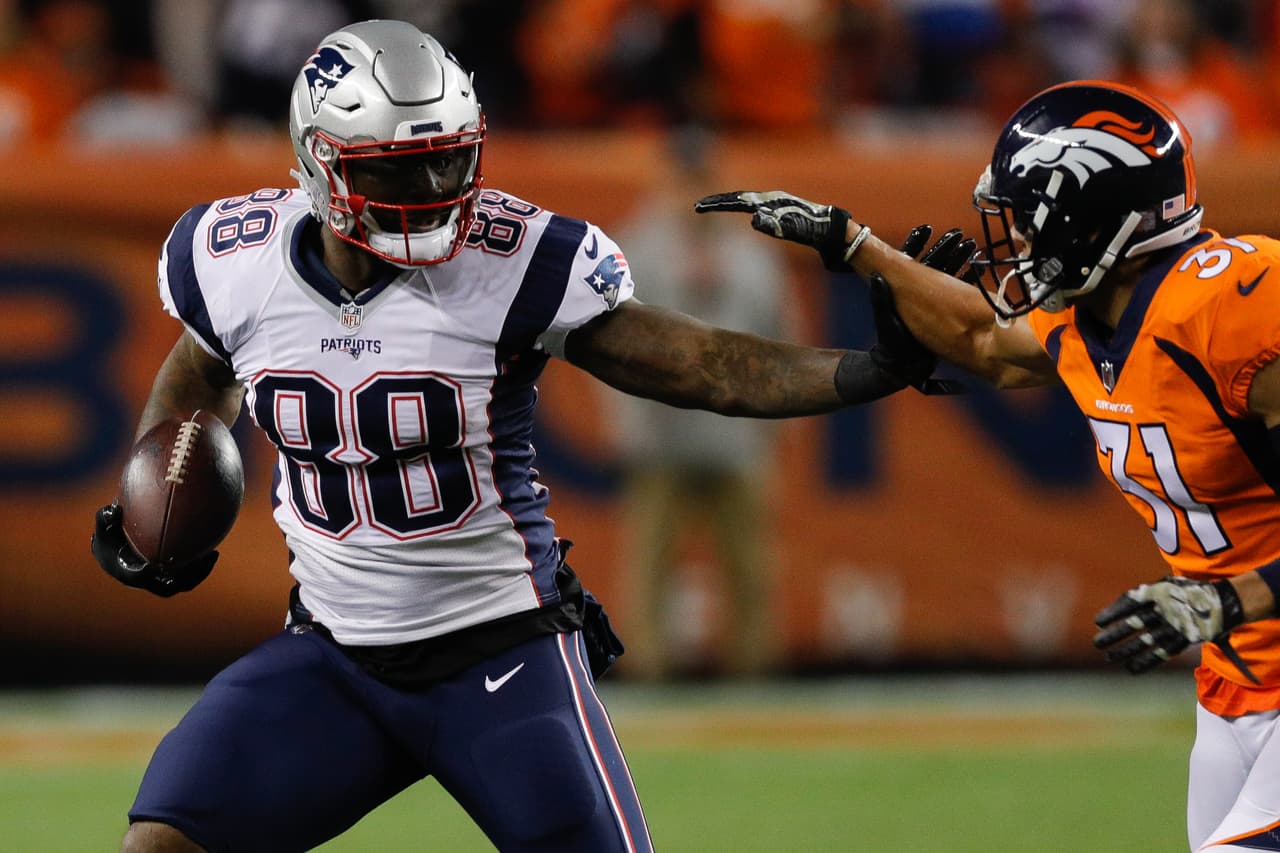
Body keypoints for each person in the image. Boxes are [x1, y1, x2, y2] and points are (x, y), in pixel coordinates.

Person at [88, 20, 960, 853]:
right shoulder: (233, 257)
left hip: (499, 652)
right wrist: (155, 493)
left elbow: (702, 364)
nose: (435, 192)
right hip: (332, 656)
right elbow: (200, 372)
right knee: (164, 837)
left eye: (448, 162)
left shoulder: (513, 258)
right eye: (404, 170)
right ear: (323, 163)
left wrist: (869, 369)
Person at [697, 80, 1280, 852]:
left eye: (1028, 218)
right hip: (1236, 680)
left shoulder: (1235, 305)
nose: (1015, 242)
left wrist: (1228, 601)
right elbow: (979, 340)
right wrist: (856, 245)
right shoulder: (1092, 314)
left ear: (1089, 214)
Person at [612, 128, 792, 680]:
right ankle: (648, 669)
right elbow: (607, 340)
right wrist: (627, 419)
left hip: (735, 431)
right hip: (663, 430)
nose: (692, 189)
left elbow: (782, 336)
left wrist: (777, 417)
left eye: (701, 177)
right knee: (651, 561)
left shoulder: (750, 256)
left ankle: (754, 671)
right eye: (683, 177)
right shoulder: (634, 247)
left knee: (750, 564)